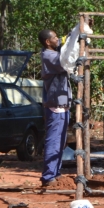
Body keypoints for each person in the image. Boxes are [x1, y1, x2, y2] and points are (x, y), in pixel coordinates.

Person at [38, 28, 70, 187]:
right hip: (55, 104)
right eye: (55, 38)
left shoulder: (54, 53)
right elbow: (65, 62)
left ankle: (55, 173)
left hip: (62, 103)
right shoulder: (49, 56)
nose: (58, 39)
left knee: (61, 141)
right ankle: (49, 175)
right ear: (47, 42)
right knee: (54, 141)